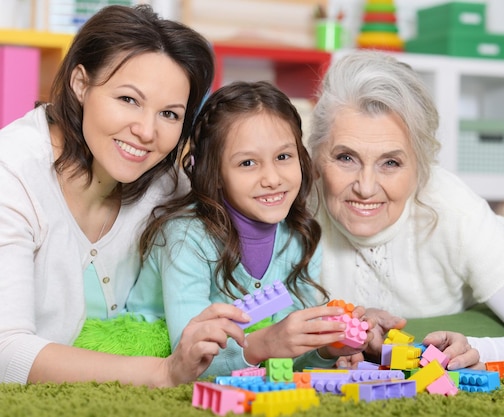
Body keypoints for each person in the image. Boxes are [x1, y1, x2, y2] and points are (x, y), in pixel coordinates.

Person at [0, 5, 251, 386]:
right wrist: (164, 372)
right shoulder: (12, 173)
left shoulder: (165, 183)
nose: (147, 132)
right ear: (80, 83)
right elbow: (6, 353)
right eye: (129, 100)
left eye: (169, 114)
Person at [307, 50, 504, 373]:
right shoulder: (293, 210)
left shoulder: (451, 207)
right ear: (316, 158)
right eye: (346, 157)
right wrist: (331, 345)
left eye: (391, 162)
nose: (366, 187)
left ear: (420, 167)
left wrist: (475, 349)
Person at [127, 80, 372, 376]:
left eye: (283, 157)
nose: (272, 178)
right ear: (214, 173)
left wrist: (325, 349)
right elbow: (189, 358)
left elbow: (286, 362)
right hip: (151, 358)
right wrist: (266, 342)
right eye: (247, 163)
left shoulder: (300, 239)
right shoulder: (185, 238)